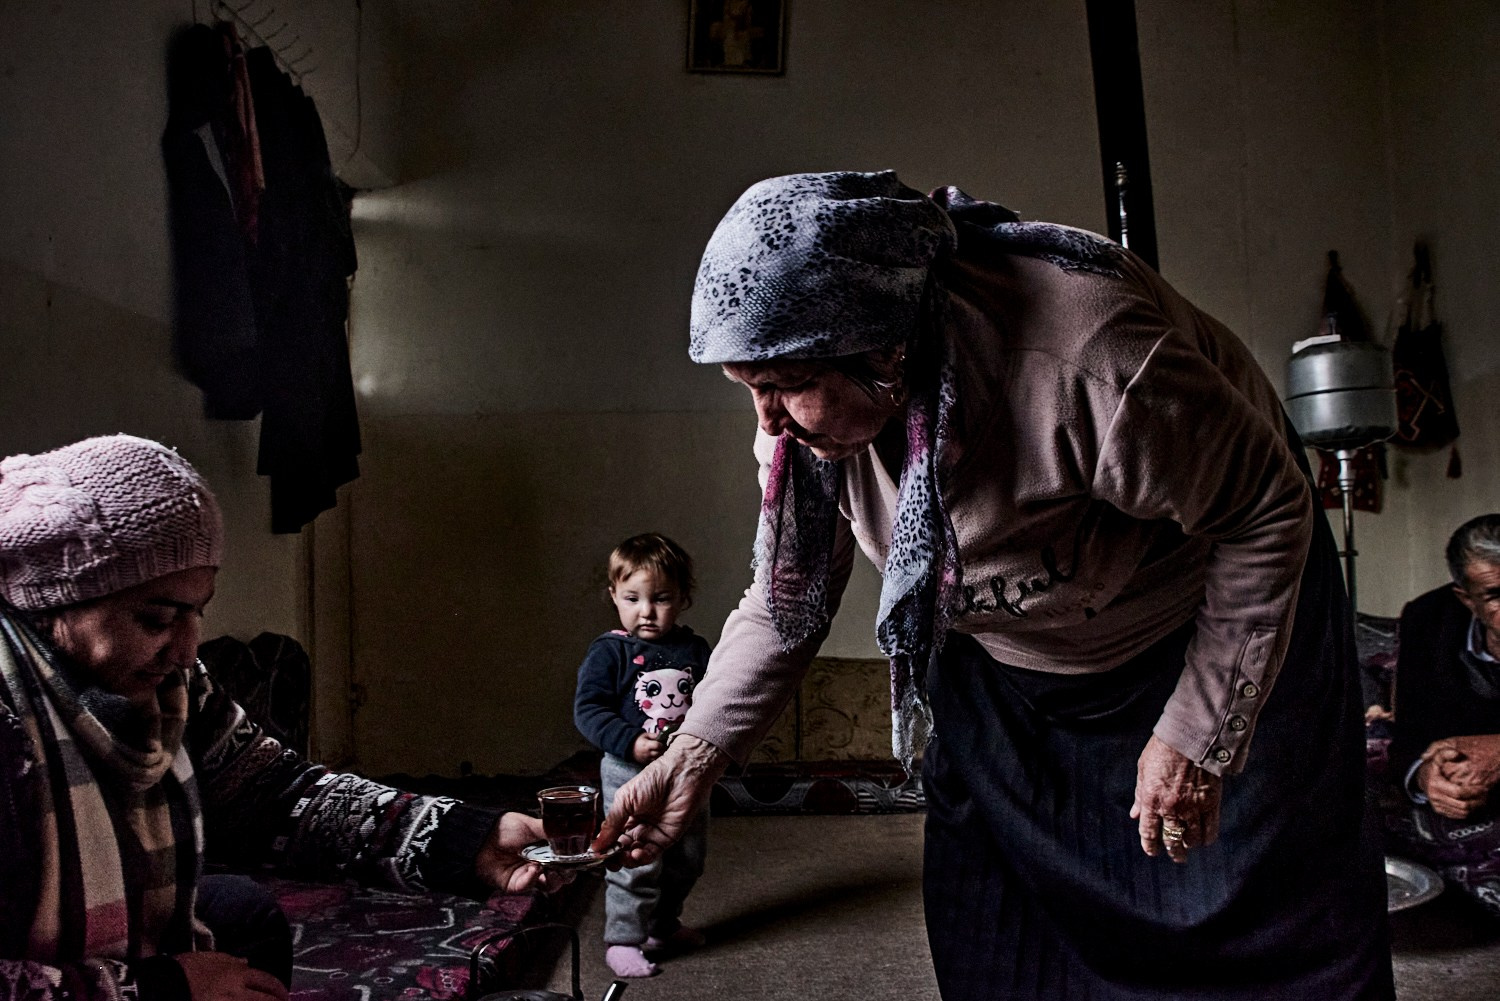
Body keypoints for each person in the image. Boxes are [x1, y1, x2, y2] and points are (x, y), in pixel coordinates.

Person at [594, 171, 1395, 999]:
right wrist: (695, 754)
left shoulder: (1091, 357)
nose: (767, 421)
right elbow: (785, 599)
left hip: (1203, 627)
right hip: (1001, 660)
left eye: (784, 385)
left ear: (885, 350)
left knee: (1255, 924)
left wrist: (1196, 735)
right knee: (997, 933)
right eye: (749, 389)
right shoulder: (803, 432)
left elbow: (1266, 510)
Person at [0, 434, 557, 1001]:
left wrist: (471, 840)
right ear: (53, 601)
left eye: (197, 613)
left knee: (241, 912)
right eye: (157, 619)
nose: (188, 651)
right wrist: (162, 989)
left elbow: (272, 792)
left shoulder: (174, 687)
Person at [574, 533, 711, 978]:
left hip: (684, 774)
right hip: (627, 772)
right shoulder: (610, 651)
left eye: (661, 598)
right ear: (614, 595)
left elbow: (712, 705)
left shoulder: (695, 651)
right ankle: (623, 939)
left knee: (688, 857)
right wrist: (630, 741)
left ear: (683, 598)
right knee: (634, 858)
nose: (646, 611)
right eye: (632, 598)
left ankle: (662, 926)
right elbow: (588, 710)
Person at [1385, 513, 1500, 915]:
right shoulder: (1428, 619)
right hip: (1469, 794)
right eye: (1495, 595)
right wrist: (1425, 776)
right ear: (1467, 599)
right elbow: (1410, 736)